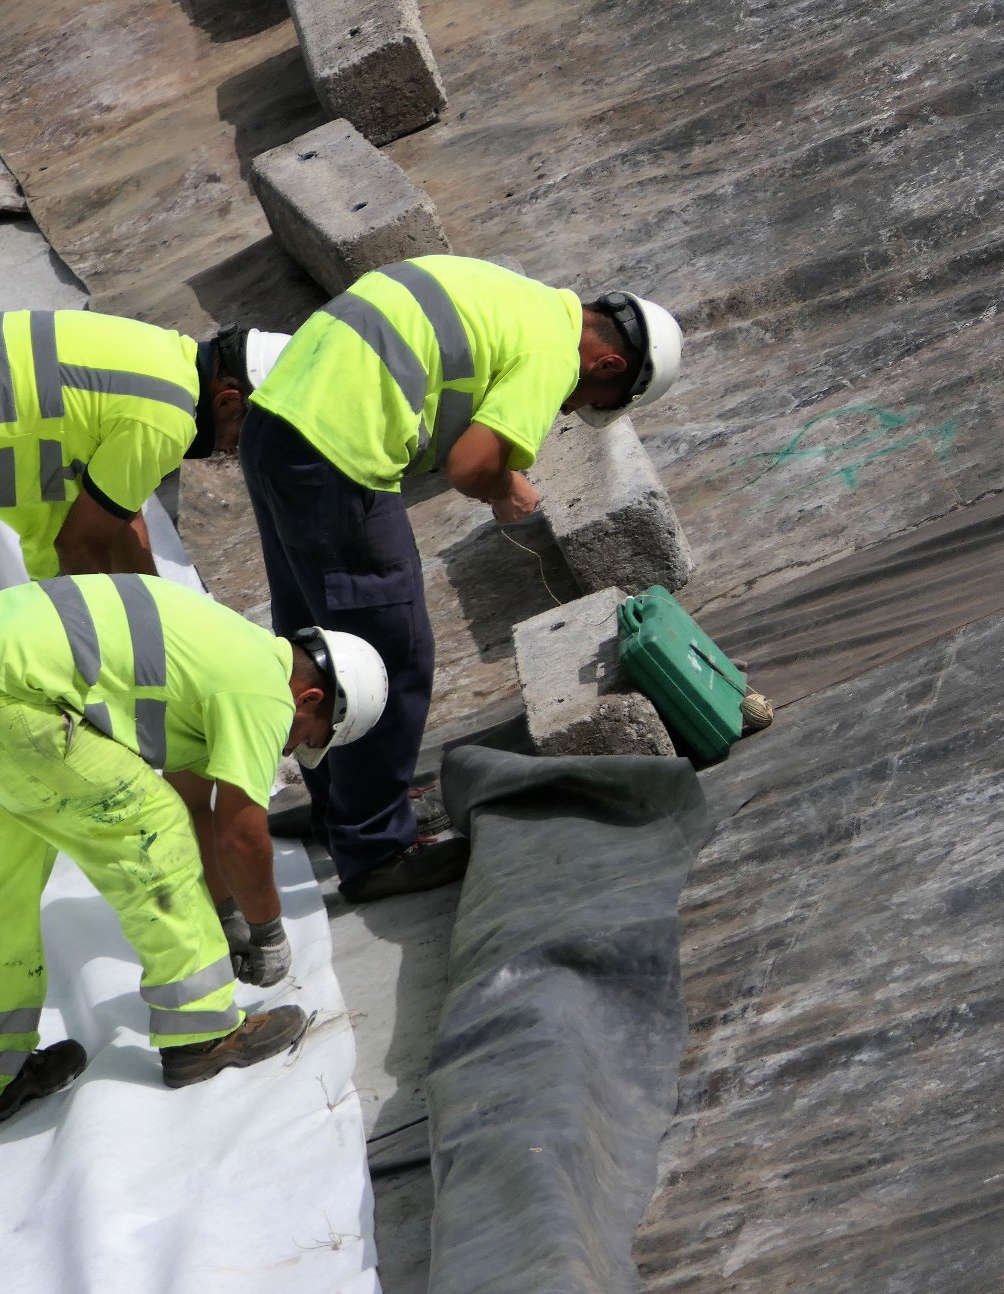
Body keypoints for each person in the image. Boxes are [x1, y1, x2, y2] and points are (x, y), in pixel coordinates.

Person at [241, 255, 684, 902]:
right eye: (588, 403)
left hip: (274, 423)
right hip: (337, 451)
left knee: (314, 641)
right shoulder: (553, 353)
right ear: (608, 368)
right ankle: (375, 848)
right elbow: (471, 462)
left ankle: (342, 806)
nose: (570, 407)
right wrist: (506, 488)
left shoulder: (518, 296)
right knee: (390, 651)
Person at [0, 310, 290, 922]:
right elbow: (79, 551)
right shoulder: (160, 417)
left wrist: (168, 641)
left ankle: (24, 775)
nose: (244, 451)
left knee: (62, 629)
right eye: (253, 430)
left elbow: (122, 526)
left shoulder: (170, 368)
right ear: (229, 397)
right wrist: (127, 671)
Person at [0, 572, 387, 1129]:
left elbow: (197, 803)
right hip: (9, 698)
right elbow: (239, 832)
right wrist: (268, 933)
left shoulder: (219, 655)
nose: (293, 748)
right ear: (309, 698)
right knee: (151, 829)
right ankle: (202, 1033)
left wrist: (225, 915)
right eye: (308, 736)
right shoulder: (261, 689)